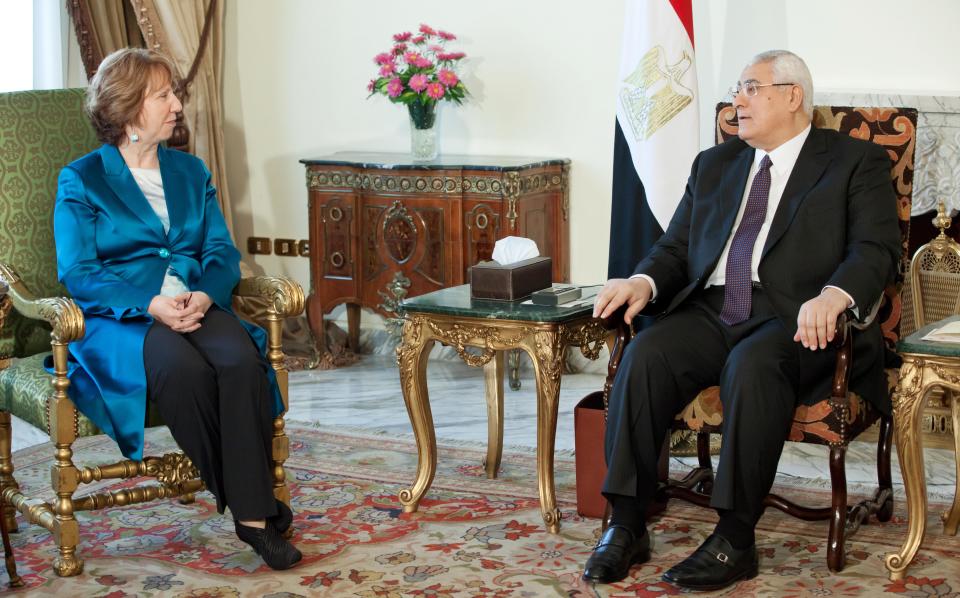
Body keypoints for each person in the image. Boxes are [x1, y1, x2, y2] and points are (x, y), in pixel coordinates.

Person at [581, 50, 900, 591]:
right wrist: (643, 281)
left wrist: (835, 295)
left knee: (754, 365)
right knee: (647, 354)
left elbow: (874, 250)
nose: (737, 101)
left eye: (752, 88)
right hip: (716, 307)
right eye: (737, 89)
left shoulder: (853, 162)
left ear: (793, 96)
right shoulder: (716, 164)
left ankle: (734, 537)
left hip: (798, 318)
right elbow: (677, 245)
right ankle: (628, 522)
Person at [53, 48, 301, 570]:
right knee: (183, 371)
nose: (176, 105)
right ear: (127, 108)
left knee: (239, 362)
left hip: (194, 300)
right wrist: (151, 304)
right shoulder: (82, 180)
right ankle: (255, 517)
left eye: (174, 93)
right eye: (163, 95)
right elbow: (79, 271)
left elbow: (220, 251)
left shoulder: (190, 171)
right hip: (123, 317)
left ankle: (246, 505)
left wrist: (207, 293)